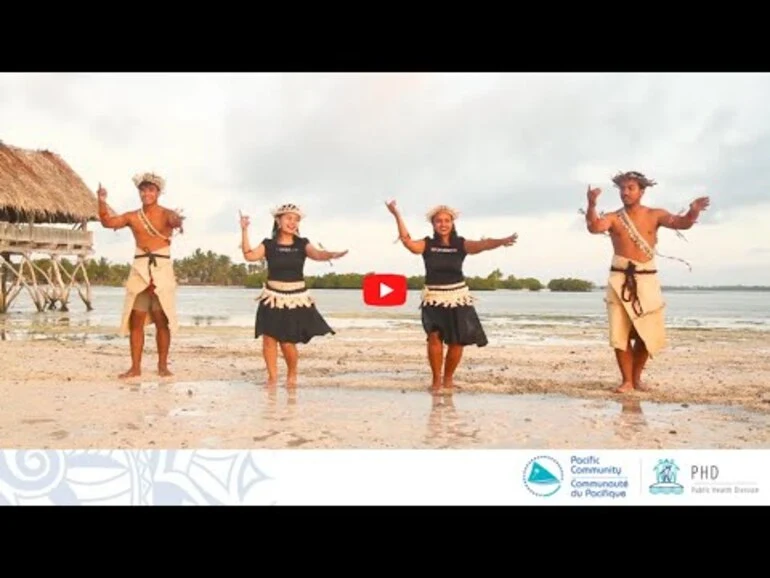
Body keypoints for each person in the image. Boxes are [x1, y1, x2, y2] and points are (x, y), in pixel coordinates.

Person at [584, 170, 710, 394]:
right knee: (620, 333)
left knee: (646, 333)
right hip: (619, 279)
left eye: (630, 188)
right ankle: (627, 382)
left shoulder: (655, 214)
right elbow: (595, 227)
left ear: (642, 191)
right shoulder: (614, 217)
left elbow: (681, 223)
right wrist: (592, 205)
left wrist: (693, 212)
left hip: (647, 279)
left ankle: (636, 379)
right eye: (622, 188)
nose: (625, 192)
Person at [385, 200, 517, 392]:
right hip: (433, 297)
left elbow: (483, 244)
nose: (443, 224)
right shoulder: (427, 245)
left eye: (447, 220)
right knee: (434, 338)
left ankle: (448, 380)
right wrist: (396, 215)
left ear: (452, 223)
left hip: (458, 297)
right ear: (433, 224)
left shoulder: (460, 244)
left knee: (457, 341)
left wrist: (501, 241)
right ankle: (436, 381)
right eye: (439, 221)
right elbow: (408, 242)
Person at [239, 203, 347, 387]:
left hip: (294, 299)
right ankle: (272, 378)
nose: (292, 222)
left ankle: (292, 375)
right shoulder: (269, 244)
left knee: (287, 342)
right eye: (288, 218)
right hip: (271, 297)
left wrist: (332, 254)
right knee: (268, 340)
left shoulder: (302, 244)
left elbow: (318, 254)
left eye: (296, 219)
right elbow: (249, 256)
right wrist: (244, 230)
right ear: (278, 220)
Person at [97, 172, 185, 379]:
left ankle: (162, 366)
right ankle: (135, 367)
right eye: (143, 190)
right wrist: (101, 201)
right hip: (140, 269)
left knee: (162, 320)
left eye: (151, 190)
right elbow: (108, 222)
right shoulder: (133, 216)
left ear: (158, 193)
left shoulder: (166, 214)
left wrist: (176, 220)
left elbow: (175, 222)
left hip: (161, 269)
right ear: (139, 192)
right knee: (135, 320)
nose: (147, 193)